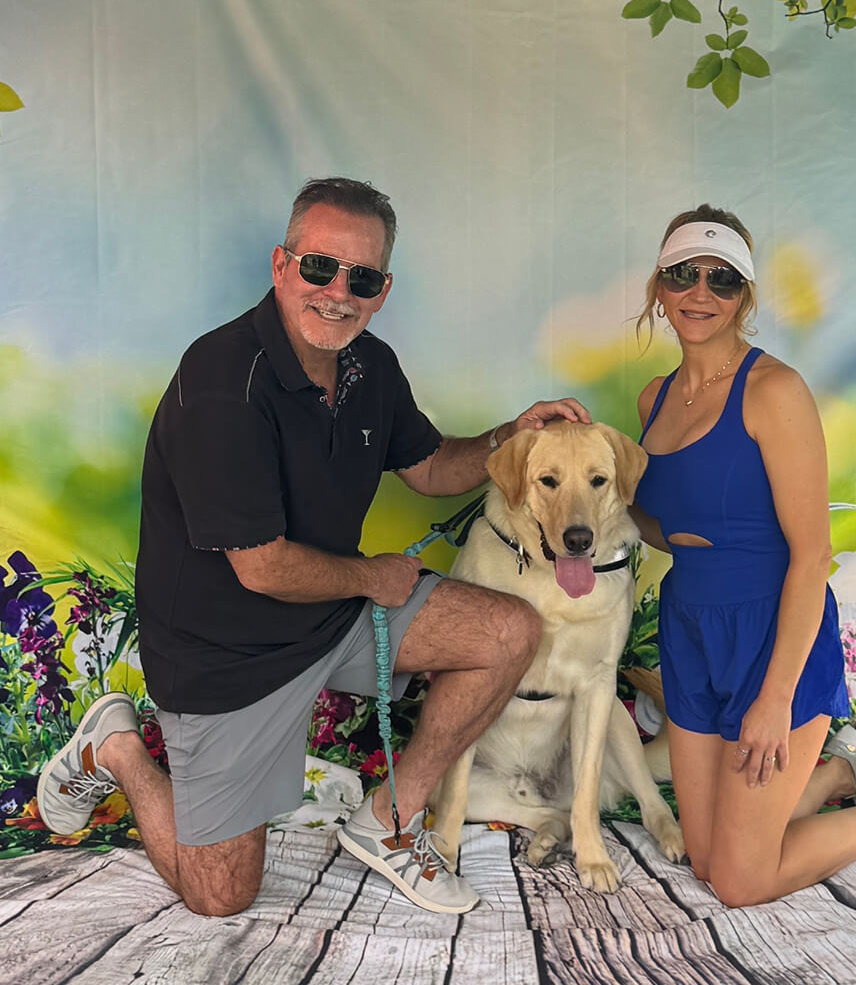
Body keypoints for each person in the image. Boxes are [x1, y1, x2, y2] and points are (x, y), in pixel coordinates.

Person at [35, 176, 589, 917]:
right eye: (319, 267)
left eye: (360, 277)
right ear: (280, 265)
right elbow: (261, 567)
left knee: (508, 629)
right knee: (220, 898)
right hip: (223, 656)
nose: (337, 292)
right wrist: (373, 579)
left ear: (382, 289)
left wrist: (508, 437)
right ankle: (116, 748)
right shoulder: (222, 380)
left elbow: (428, 468)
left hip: (329, 613)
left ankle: (388, 821)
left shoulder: (371, 367)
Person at [629, 204, 856, 907]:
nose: (700, 293)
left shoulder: (773, 391)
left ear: (745, 296)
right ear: (659, 287)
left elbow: (811, 555)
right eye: (683, 275)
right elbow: (666, 527)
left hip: (771, 634)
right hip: (691, 626)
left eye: (722, 280)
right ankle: (844, 771)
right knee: (703, 859)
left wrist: (774, 697)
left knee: (739, 880)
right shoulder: (652, 398)